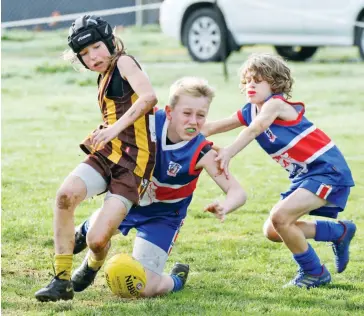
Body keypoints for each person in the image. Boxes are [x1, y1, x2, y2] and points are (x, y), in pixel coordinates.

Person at [71, 77, 247, 297]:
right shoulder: (147, 122)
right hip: (128, 202)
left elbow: (237, 192)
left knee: (144, 289)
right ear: (169, 111)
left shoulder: (202, 152)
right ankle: (89, 240)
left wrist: (226, 205)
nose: (194, 121)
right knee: (96, 238)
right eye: (187, 113)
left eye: (201, 115)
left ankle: (176, 279)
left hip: (162, 217)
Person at [202, 53, 356, 289]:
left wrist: (230, 151)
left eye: (258, 80)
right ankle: (339, 231)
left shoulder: (276, 104)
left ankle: (314, 273)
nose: (250, 85)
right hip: (305, 175)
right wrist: (179, 131)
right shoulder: (250, 110)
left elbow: (257, 128)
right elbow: (211, 127)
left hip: (326, 171)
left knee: (280, 218)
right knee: (274, 231)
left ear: (274, 83)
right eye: (247, 80)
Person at [35, 15, 158, 302]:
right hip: (107, 153)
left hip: (134, 162)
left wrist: (115, 128)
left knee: (97, 240)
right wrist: (108, 132)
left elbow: (149, 97)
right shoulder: (103, 76)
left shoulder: (125, 62)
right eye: (84, 54)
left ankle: (92, 263)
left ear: (111, 41)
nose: (92, 57)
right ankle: (60, 280)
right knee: (65, 196)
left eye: (96, 48)